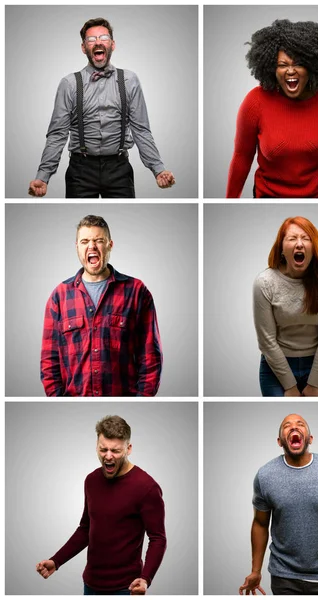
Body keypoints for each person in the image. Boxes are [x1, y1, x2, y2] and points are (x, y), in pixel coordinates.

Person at [28, 17, 175, 198]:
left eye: (104, 38)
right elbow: (57, 133)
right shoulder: (70, 84)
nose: (98, 42)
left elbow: (141, 130)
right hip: (80, 171)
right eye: (91, 39)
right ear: (84, 48)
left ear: (112, 45)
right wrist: (43, 177)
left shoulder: (129, 81)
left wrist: (158, 169)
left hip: (119, 170)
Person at [226, 19, 318, 198]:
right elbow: (242, 157)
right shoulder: (255, 102)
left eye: (298, 64)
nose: (290, 71)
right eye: (282, 65)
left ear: (312, 66)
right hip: (270, 194)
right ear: (271, 68)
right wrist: (231, 201)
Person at [36, 415, 167, 594]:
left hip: (126, 588)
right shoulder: (91, 480)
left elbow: (158, 538)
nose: (108, 456)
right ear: (96, 446)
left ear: (128, 449)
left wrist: (145, 579)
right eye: (103, 449)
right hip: (90, 584)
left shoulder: (147, 487)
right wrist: (56, 561)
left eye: (115, 451)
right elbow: (85, 529)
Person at [40, 214, 162, 396]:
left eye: (99, 240)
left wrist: (140, 401)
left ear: (109, 245)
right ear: (77, 247)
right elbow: (49, 362)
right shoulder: (59, 296)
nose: (92, 246)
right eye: (85, 241)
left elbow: (150, 357)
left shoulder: (136, 291)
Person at [239, 413, 318, 595]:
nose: (294, 427)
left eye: (300, 424)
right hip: (283, 577)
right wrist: (256, 570)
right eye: (287, 425)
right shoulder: (265, 476)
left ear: (310, 438)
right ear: (280, 441)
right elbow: (260, 524)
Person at [253, 217, 318, 397]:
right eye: (292, 238)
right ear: (281, 248)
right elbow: (267, 341)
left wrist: (314, 383)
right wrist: (289, 386)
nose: (299, 244)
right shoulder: (265, 282)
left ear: (315, 247)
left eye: (306, 238)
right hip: (275, 368)